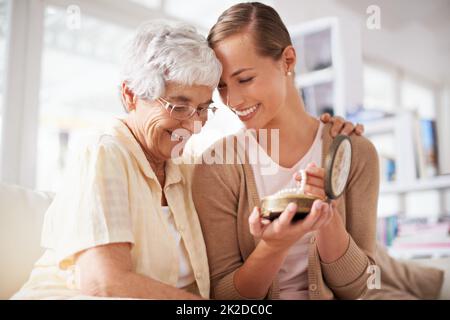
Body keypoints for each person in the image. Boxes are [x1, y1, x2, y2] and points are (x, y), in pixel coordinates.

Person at [11, 19, 361, 300]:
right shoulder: (106, 153)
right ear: (130, 96)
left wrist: (331, 132)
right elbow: (104, 281)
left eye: (203, 108)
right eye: (179, 106)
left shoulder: (185, 168)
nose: (193, 124)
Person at [192, 2, 379, 300]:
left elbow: (363, 287)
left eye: (244, 79)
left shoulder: (354, 153)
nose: (233, 100)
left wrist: (327, 220)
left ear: (288, 60)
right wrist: (273, 246)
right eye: (222, 87)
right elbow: (224, 297)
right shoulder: (215, 167)